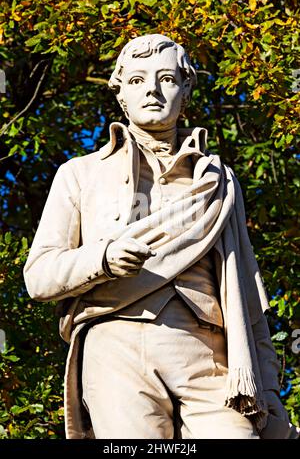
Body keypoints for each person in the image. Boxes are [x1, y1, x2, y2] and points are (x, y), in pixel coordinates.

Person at [23, 34, 295, 439]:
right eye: (136, 80)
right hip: (117, 344)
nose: (151, 89)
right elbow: (39, 276)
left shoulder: (217, 179)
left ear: (185, 91)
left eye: (166, 78)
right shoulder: (81, 174)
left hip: (209, 354)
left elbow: (246, 296)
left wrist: (269, 388)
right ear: (121, 95)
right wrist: (103, 258)